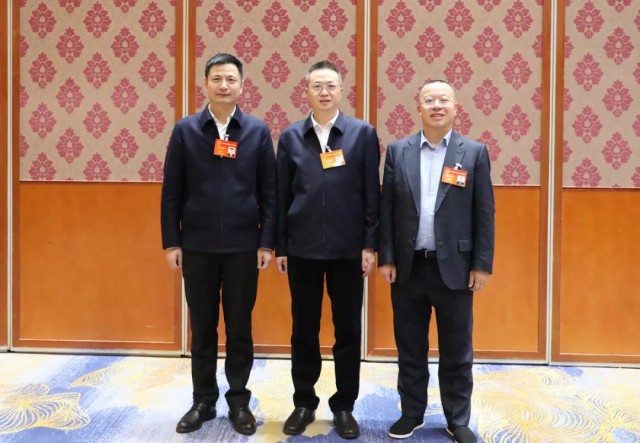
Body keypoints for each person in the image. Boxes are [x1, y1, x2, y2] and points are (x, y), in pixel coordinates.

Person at [160, 53, 276, 436]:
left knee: (240, 328)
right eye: (217, 79)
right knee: (203, 328)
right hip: (197, 246)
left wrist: (266, 242)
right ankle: (203, 400)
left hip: (244, 248)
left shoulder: (257, 131)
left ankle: (239, 401)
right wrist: (172, 241)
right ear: (206, 84)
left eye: (230, 79)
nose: (224, 85)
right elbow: (172, 190)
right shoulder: (186, 130)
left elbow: (269, 193)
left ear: (241, 85)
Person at [378, 80, 494, 442]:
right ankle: (411, 413)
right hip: (409, 267)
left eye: (444, 100)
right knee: (410, 347)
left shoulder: (473, 152)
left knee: (457, 350)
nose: (437, 105)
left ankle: (457, 418)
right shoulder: (398, 151)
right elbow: (387, 209)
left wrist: (482, 264)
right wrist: (387, 257)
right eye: (429, 100)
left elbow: (484, 212)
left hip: (456, 269)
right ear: (419, 108)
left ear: (455, 108)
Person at [275, 60, 381, 440]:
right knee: (303, 330)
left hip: (348, 250)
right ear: (306, 91)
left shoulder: (361, 134)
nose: (324, 92)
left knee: (347, 331)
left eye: (330, 86)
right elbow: (281, 195)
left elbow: (371, 193)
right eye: (317, 86)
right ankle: (304, 402)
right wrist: (281, 246)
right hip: (302, 250)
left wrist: (370, 243)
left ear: (341, 90)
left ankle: (344, 406)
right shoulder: (290, 137)